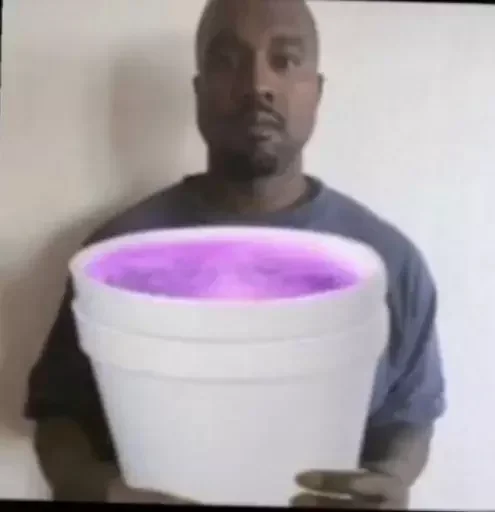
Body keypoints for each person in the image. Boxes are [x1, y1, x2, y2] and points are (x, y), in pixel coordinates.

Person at [25, 0, 446, 507]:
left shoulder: (386, 262)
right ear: (199, 91)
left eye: (284, 60)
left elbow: (410, 415)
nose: (257, 84)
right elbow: (59, 414)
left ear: (316, 91)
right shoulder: (115, 256)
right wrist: (100, 491)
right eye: (227, 61)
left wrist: (391, 479)